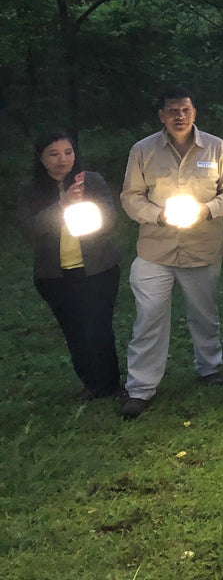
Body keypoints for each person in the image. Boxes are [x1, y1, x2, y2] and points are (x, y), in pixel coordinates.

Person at [120, 87, 223, 418]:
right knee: (149, 317)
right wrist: (157, 215)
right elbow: (130, 196)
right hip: (155, 250)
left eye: (185, 110)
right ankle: (140, 388)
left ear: (194, 113)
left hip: (201, 249)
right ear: (162, 115)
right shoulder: (143, 150)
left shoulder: (217, 148)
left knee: (205, 313)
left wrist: (207, 209)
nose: (179, 116)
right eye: (172, 110)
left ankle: (209, 367)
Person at [18, 130, 122, 400]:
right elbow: (29, 229)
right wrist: (61, 206)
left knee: (98, 327)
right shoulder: (30, 189)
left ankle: (109, 384)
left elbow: (110, 219)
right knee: (74, 329)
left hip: (97, 269)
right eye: (53, 154)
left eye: (68, 152)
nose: (62, 159)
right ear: (41, 158)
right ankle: (90, 383)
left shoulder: (92, 181)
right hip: (55, 275)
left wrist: (89, 211)